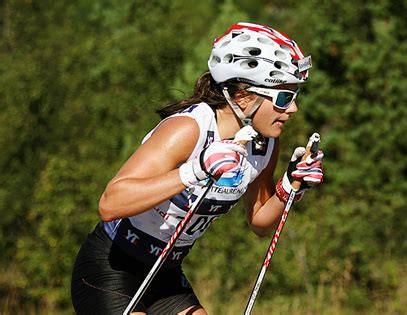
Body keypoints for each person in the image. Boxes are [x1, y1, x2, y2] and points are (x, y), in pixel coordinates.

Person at [71, 22, 324, 315]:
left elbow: (259, 223)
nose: (293, 109)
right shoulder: (189, 129)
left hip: (165, 273)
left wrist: (290, 187)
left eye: (295, 97)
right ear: (242, 95)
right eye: (284, 97)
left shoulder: (264, 144)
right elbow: (111, 203)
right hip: (112, 264)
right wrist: (195, 170)